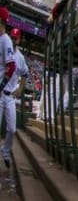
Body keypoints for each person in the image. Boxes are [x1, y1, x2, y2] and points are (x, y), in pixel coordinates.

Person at [1, 27, 29, 168]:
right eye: (12, 36)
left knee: (12, 129)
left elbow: (25, 74)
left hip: (10, 96)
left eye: (16, 37)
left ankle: (5, 152)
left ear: (19, 39)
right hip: (1, 92)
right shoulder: (4, 48)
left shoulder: (21, 58)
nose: (13, 39)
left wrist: (21, 88)